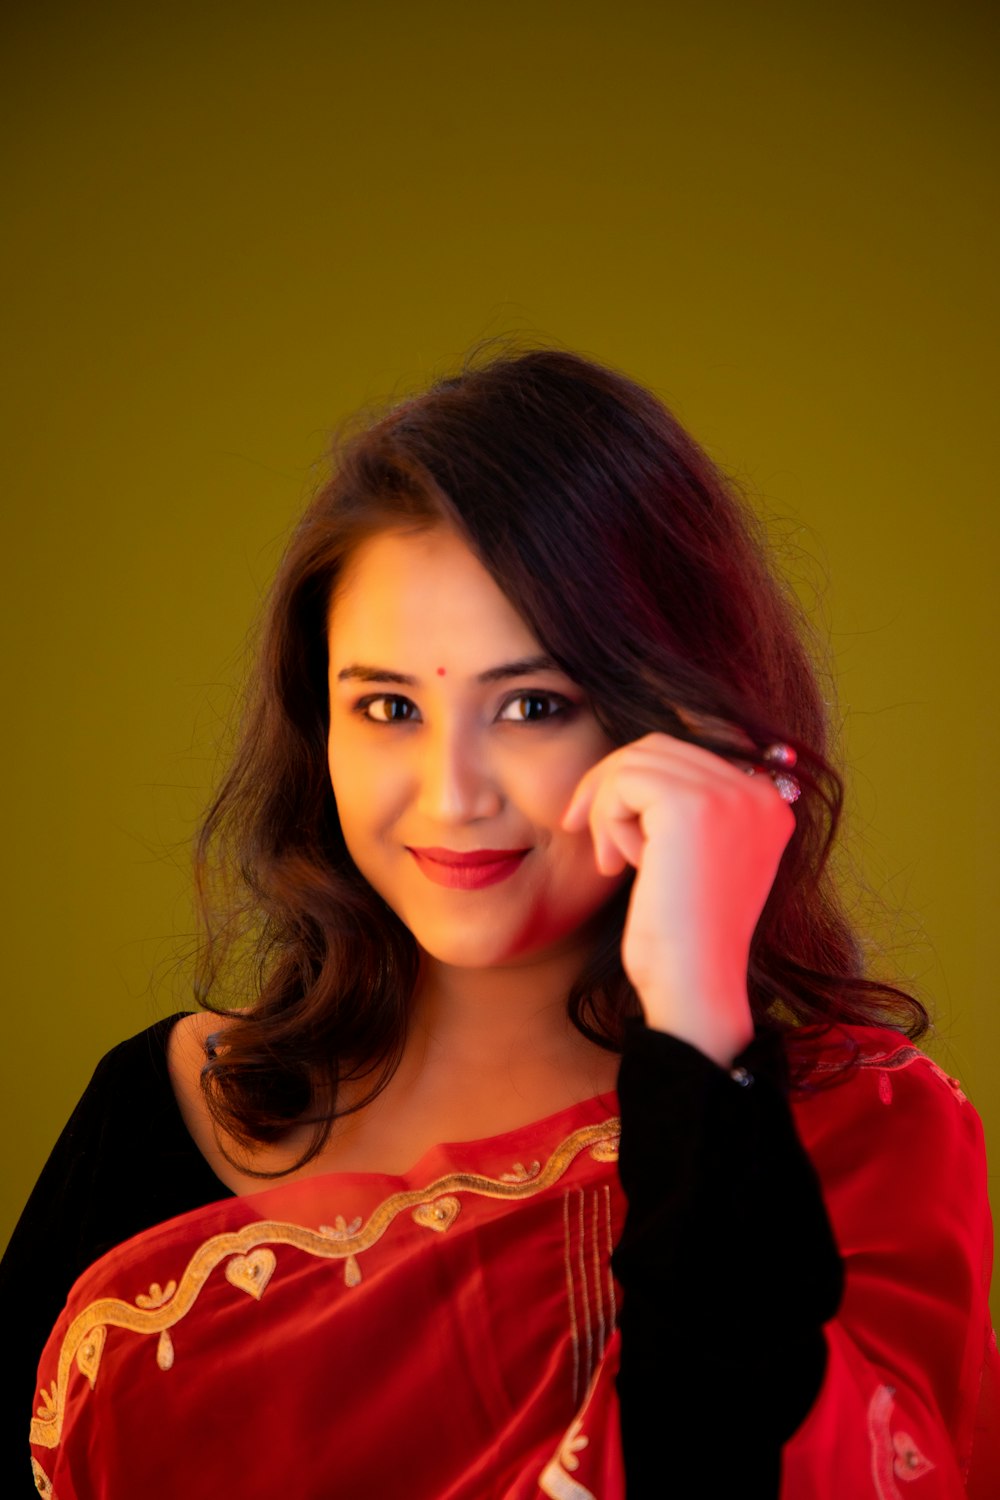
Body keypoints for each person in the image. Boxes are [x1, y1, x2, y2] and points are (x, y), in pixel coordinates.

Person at [3, 346, 997, 1498]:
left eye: (532, 705)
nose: (451, 793)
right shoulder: (168, 1104)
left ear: (677, 720)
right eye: (386, 707)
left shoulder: (855, 1132)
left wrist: (695, 1022)